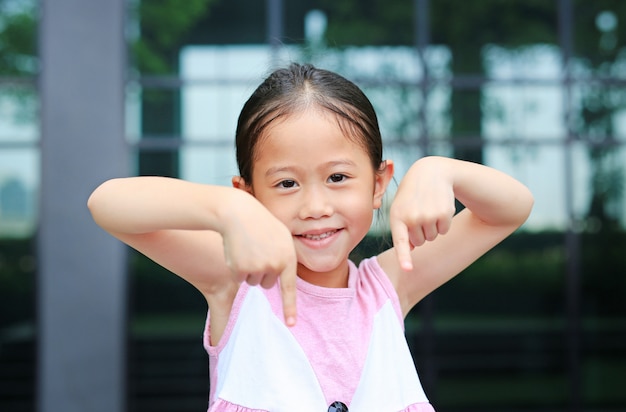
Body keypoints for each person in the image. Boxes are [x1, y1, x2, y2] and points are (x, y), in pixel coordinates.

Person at [88, 63, 534, 412]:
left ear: (379, 185)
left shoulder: (392, 281)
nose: (315, 206)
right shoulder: (239, 278)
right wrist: (227, 210)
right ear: (249, 192)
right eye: (286, 184)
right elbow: (108, 204)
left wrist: (443, 169)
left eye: (338, 177)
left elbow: (509, 209)